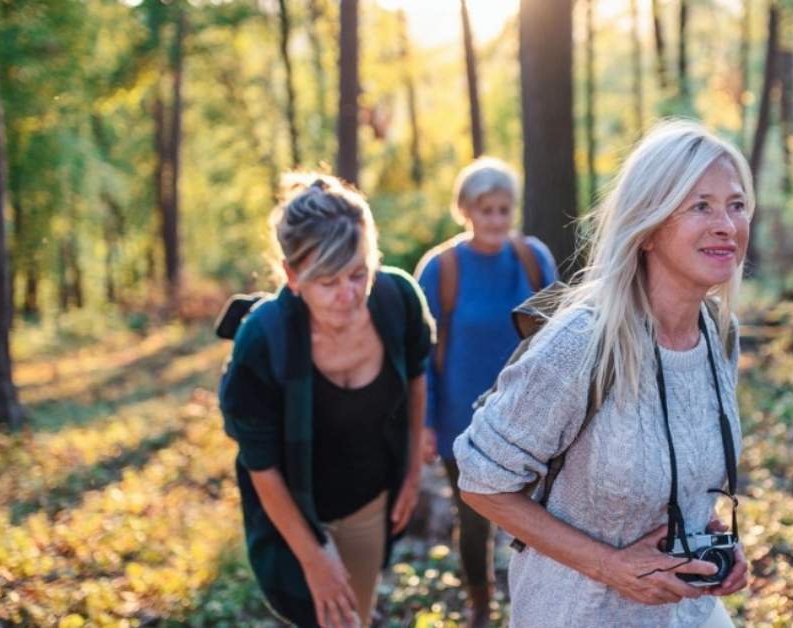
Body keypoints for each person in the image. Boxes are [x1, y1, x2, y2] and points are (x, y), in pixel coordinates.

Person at [453, 121, 753, 627]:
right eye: (700, 205)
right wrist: (611, 566)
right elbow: (481, 480)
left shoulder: (719, 333)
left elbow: (681, 472)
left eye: (737, 204)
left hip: (691, 614)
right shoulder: (583, 343)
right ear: (649, 226)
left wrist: (713, 538)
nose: (726, 224)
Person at [219, 174, 434, 628]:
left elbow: (416, 379)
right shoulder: (262, 339)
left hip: (369, 501)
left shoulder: (398, 301)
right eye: (328, 281)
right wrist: (314, 558)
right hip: (291, 510)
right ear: (293, 276)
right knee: (311, 613)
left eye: (359, 273)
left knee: (354, 613)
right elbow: (261, 466)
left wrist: (413, 471)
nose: (348, 295)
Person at [414, 157, 558, 627]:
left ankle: (535, 603)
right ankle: (480, 602)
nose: (496, 219)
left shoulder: (533, 259)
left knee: (538, 518)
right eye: (486, 210)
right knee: (475, 517)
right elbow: (421, 355)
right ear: (467, 211)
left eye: (503, 209)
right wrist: (426, 423)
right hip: (464, 419)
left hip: (530, 414)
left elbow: (561, 336)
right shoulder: (441, 269)